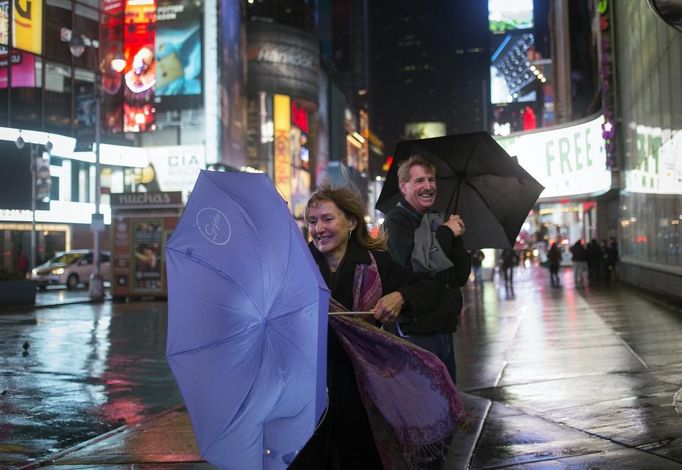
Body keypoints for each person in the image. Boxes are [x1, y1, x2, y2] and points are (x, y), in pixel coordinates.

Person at [291, 185, 445, 470]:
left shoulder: (375, 263)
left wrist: (400, 296)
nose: (319, 229)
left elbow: (430, 289)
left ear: (351, 222)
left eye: (327, 219)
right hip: (308, 391)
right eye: (312, 221)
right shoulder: (297, 266)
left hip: (362, 392)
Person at [383, 155, 471, 384]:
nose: (428, 186)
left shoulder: (435, 220)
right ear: (404, 187)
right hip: (416, 332)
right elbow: (417, 262)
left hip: (443, 329)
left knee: (448, 403)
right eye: (419, 181)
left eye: (431, 180)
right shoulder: (396, 221)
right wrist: (446, 233)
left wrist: (457, 237)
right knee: (425, 404)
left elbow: (459, 275)